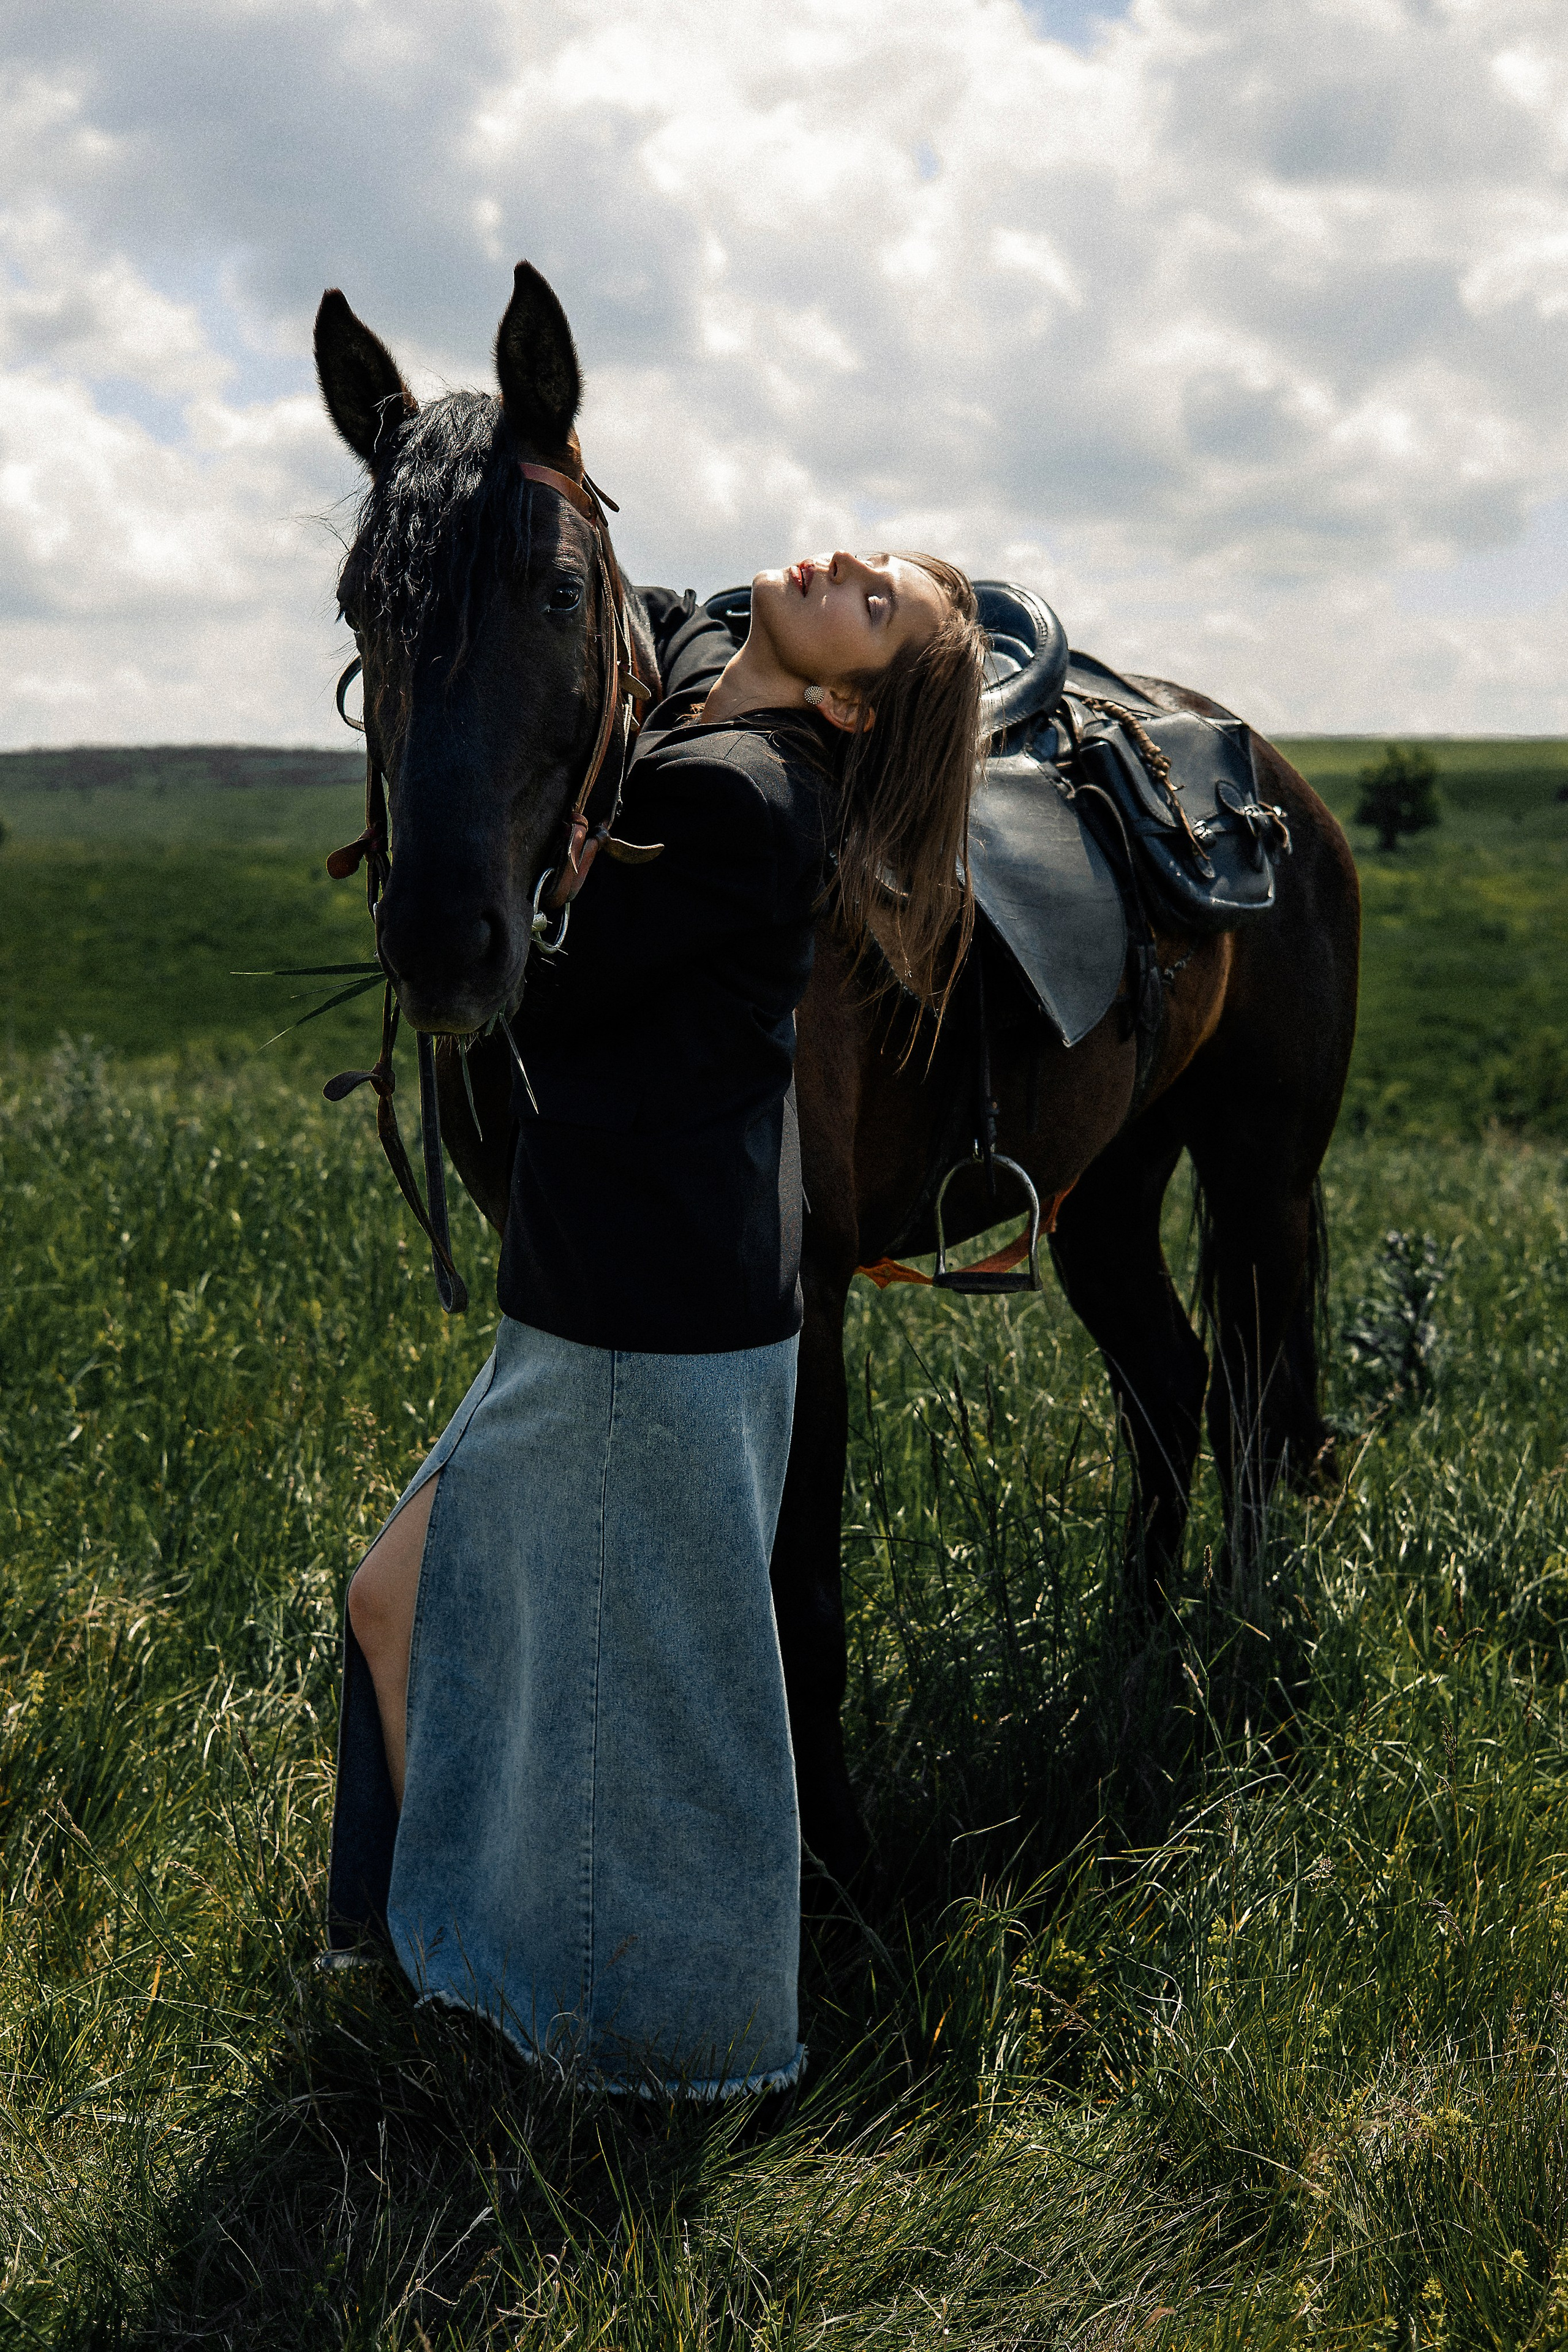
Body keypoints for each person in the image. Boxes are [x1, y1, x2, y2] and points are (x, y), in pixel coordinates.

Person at [328, 548, 989, 2097]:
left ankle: (644, 2040)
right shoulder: (714, 753)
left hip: (639, 1314)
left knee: (656, 1693)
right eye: (861, 559)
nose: (836, 567)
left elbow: (528, 994)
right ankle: (443, 1954)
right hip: (619, 1295)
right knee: (410, 1604)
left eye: (873, 605)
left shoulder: (740, 797)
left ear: (845, 695)